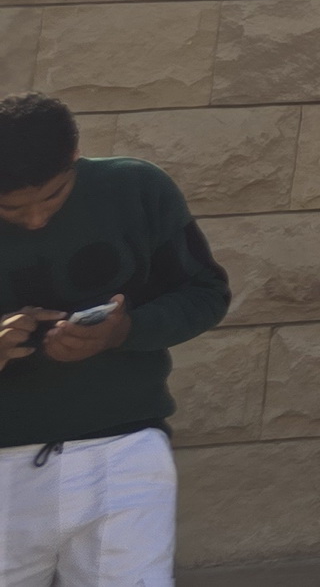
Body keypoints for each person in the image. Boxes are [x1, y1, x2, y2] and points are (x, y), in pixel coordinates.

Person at [0, 93, 234, 587]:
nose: (36, 219)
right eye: (11, 208)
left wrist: (125, 331)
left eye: (53, 197)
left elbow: (205, 293)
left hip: (123, 451)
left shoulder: (137, 189)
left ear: (74, 155)